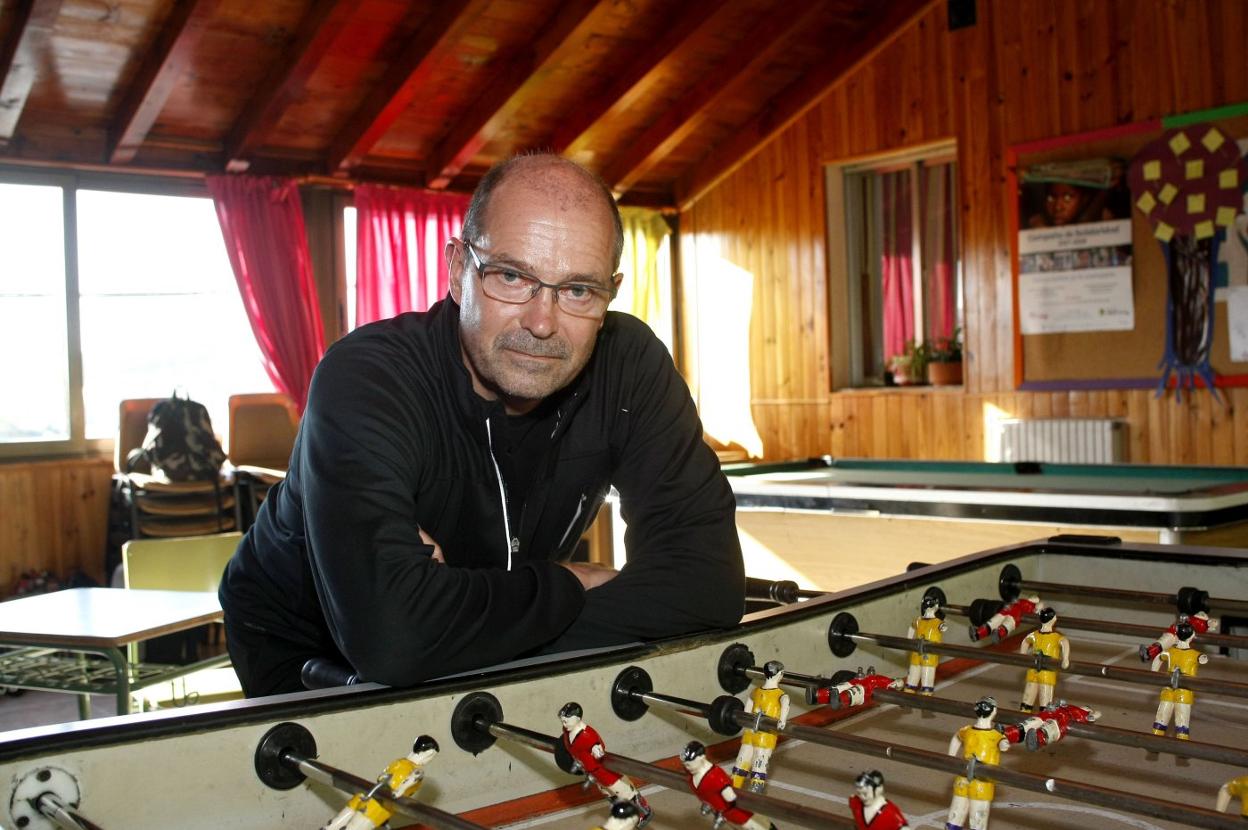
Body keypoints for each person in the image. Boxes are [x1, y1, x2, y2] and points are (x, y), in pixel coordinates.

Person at [218, 153, 745, 696]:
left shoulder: (629, 363)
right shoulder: (367, 378)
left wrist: (447, 620)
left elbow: (708, 586)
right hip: (302, 649)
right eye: (513, 277)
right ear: (456, 270)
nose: (542, 323)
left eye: (578, 290)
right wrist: (565, 584)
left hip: (496, 629)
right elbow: (392, 639)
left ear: (610, 291)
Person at [559, 702, 652, 825]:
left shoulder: (587, 735)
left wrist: (596, 749)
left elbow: (598, 745)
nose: (564, 724)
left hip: (603, 770)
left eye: (566, 721)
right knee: (609, 794)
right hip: (592, 772)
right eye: (563, 721)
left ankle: (643, 813)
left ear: (577, 718)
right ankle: (624, 813)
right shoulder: (566, 732)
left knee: (624, 791)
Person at [322, 736, 438, 830]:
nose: (430, 759)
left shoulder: (398, 762)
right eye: (431, 756)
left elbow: (381, 777)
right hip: (381, 807)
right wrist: (400, 790)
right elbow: (405, 786)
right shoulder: (416, 771)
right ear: (427, 754)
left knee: (333, 825)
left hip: (368, 795)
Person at [680, 741, 777, 830]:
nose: (687, 767)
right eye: (686, 765)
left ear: (701, 758)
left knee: (758, 826)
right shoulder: (691, 776)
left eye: (689, 764)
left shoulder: (715, 777)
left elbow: (731, 797)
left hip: (735, 812)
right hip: (724, 813)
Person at [946, 697, 1009, 830]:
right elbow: (1004, 746)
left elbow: (956, 738)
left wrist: (950, 758)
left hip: (963, 778)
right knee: (977, 821)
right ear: (994, 711)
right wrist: (1005, 739)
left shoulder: (967, 730)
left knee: (955, 816)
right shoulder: (995, 735)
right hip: (982, 783)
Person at [731, 660, 789, 793]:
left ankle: (733, 789)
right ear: (780, 674)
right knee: (759, 763)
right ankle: (754, 792)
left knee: (741, 762)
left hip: (750, 732)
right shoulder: (781, 694)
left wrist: (745, 718)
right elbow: (785, 704)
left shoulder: (755, 691)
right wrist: (782, 721)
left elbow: (747, 708)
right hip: (765, 735)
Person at [1150, 621, 1208, 740]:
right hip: (1184, 691)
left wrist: (1153, 673)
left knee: (1161, 718)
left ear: (1176, 636)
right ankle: (1182, 746)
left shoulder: (1170, 651)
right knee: (1182, 722)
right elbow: (1203, 659)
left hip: (1168, 688)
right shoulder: (1194, 654)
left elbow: (1158, 657)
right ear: (1192, 636)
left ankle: (1154, 741)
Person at [1018, 607, 1070, 712]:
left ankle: (1038, 720)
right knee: (1031, 698)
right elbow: (1065, 642)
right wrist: (1065, 659)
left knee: (1042, 699)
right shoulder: (1051, 636)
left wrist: (1065, 659)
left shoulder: (1038, 635)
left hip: (1045, 669)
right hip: (1039, 669)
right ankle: (1025, 717)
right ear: (1054, 619)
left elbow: (1025, 641)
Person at [905, 594, 947, 695]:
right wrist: (908, 641)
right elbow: (912, 627)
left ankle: (924, 693)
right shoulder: (921, 621)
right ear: (935, 607)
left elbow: (911, 628)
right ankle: (910, 692)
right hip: (920, 652)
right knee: (915, 674)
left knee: (926, 675)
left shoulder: (936, 622)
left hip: (928, 654)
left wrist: (908, 640)